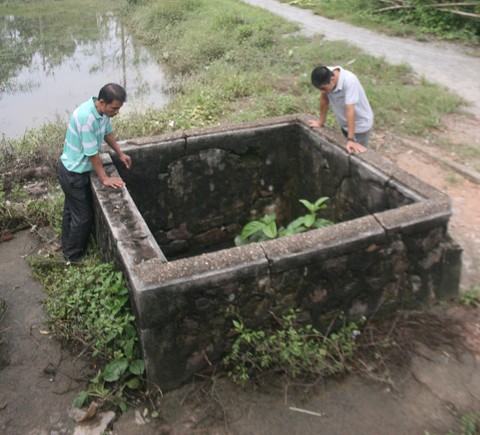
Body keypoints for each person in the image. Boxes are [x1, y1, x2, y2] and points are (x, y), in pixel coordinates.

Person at [58, 83, 132, 263]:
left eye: (119, 108)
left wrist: (120, 153)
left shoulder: (102, 113)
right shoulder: (86, 118)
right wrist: (105, 178)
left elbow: (108, 133)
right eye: (114, 108)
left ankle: (67, 247)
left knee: (71, 210)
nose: (117, 112)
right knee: (82, 217)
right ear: (101, 101)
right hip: (73, 172)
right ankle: (73, 257)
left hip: (75, 169)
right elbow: (92, 154)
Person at [309, 65, 374, 154]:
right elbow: (324, 99)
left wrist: (351, 139)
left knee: (356, 154)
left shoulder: (349, 81)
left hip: (360, 125)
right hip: (345, 125)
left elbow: (350, 110)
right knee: (346, 150)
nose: (322, 92)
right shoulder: (326, 74)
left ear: (332, 79)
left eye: (323, 88)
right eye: (320, 89)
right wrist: (320, 122)